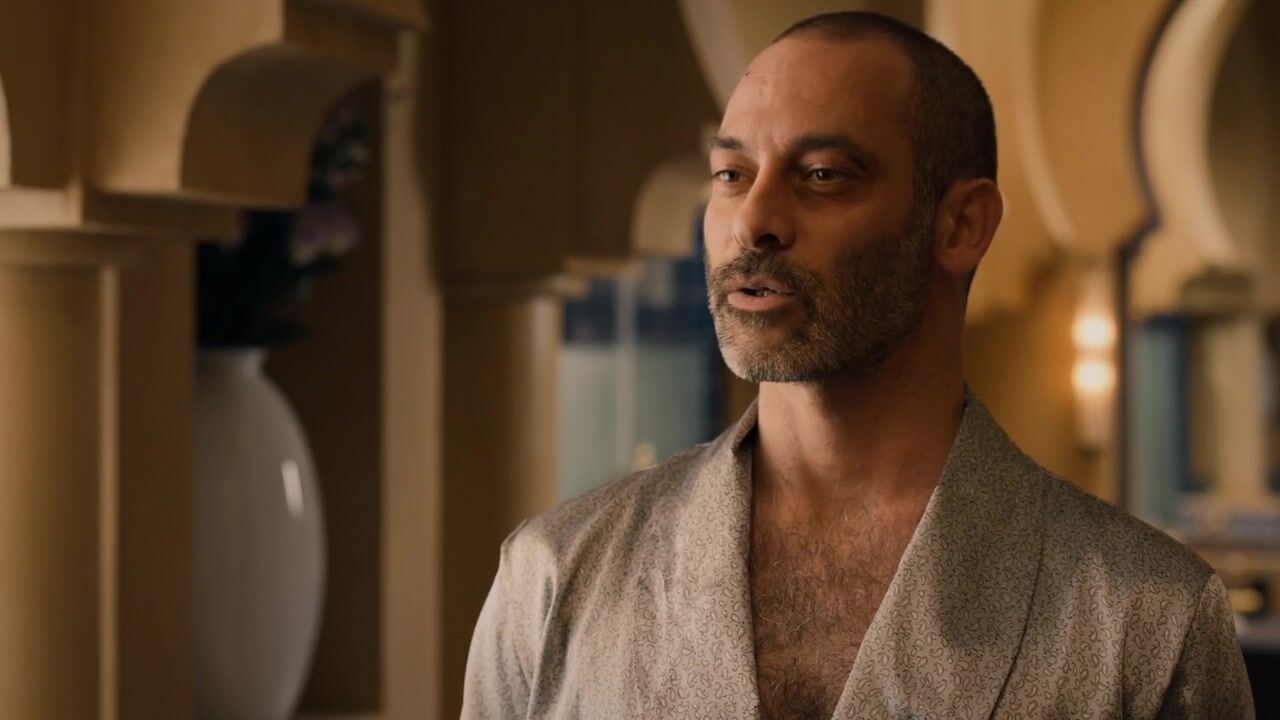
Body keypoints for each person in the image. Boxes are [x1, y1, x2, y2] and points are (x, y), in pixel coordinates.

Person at [461, 11, 1254, 719]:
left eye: (823, 176)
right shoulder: (555, 575)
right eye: (732, 175)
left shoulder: (1148, 620)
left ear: (962, 225)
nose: (754, 221)